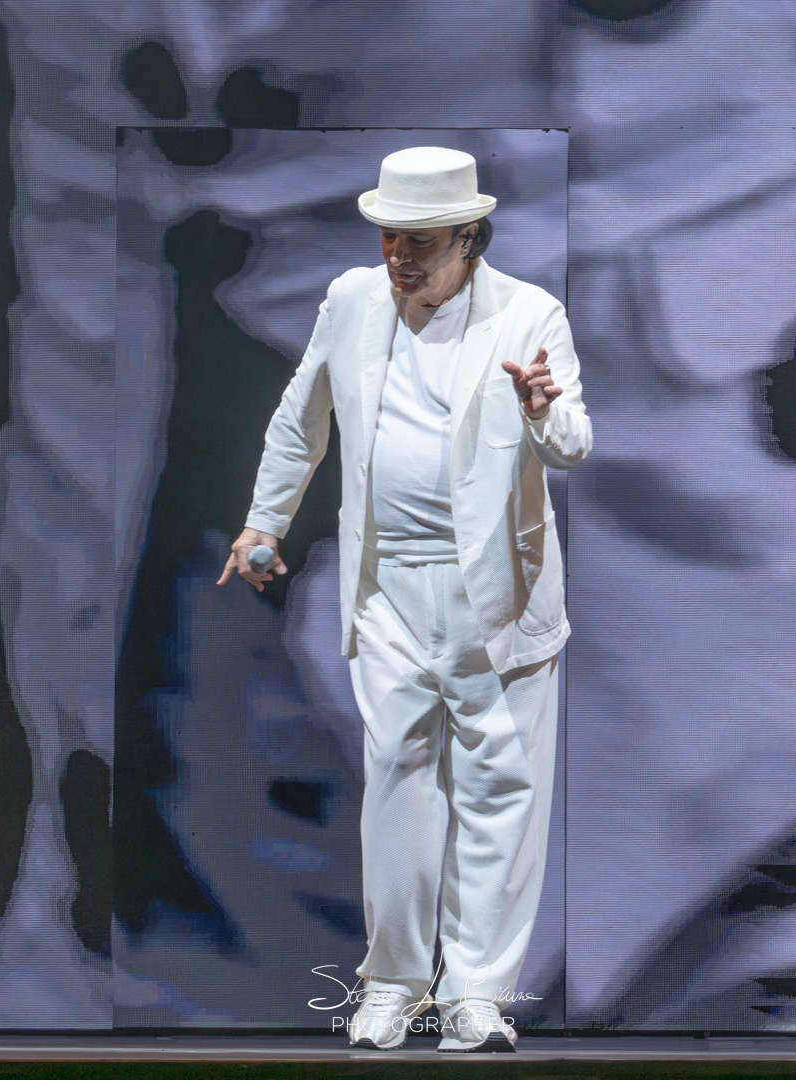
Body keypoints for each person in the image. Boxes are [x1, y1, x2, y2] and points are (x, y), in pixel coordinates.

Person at [218, 146, 592, 1051]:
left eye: (419, 239)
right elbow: (300, 420)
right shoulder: (352, 301)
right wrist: (264, 521)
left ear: (469, 236)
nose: (398, 254)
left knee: (500, 789)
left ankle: (476, 996)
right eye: (389, 236)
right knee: (396, 778)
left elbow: (573, 444)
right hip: (387, 585)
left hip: (498, 594)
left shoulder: (528, 313)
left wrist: (540, 409)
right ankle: (392, 982)